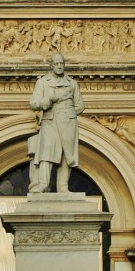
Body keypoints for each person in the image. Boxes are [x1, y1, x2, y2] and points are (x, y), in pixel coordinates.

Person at [29, 54, 85, 193]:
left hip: (68, 122)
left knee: (66, 154)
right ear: (51, 65)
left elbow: (80, 105)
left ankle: (63, 187)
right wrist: (49, 100)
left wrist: (67, 113)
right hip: (50, 120)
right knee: (46, 151)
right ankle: (43, 184)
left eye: (62, 64)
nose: (59, 66)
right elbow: (34, 103)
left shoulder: (72, 83)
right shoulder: (42, 82)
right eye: (56, 64)